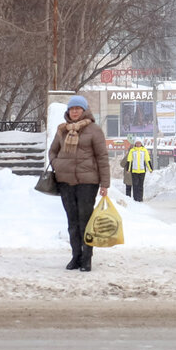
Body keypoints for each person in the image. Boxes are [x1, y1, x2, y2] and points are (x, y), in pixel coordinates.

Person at [48, 94, 111, 271]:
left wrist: (105, 184)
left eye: (78, 109)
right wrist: (57, 164)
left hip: (87, 182)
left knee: (86, 221)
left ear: (84, 111)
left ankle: (87, 257)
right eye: (72, 109)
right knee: (72, 221)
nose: (74, 112)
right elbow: (52, 151)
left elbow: (102, 157)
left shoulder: (94, 130)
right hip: (65, 181)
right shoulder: (62, 130)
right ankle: (75, 256)